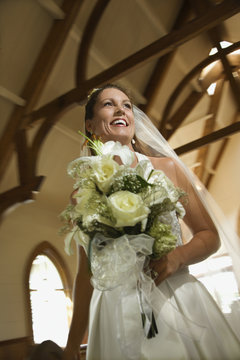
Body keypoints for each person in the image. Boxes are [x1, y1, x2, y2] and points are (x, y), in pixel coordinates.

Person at [63, 84, 240, 360]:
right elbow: (86, 274)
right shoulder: (81, 194)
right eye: (109, 104)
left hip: (174, 298)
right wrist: (73, 342)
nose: (121, 109)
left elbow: (209, 235)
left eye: (127, 105)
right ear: (90, 124)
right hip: (115, 312)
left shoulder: (167, 169)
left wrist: (178, 257)